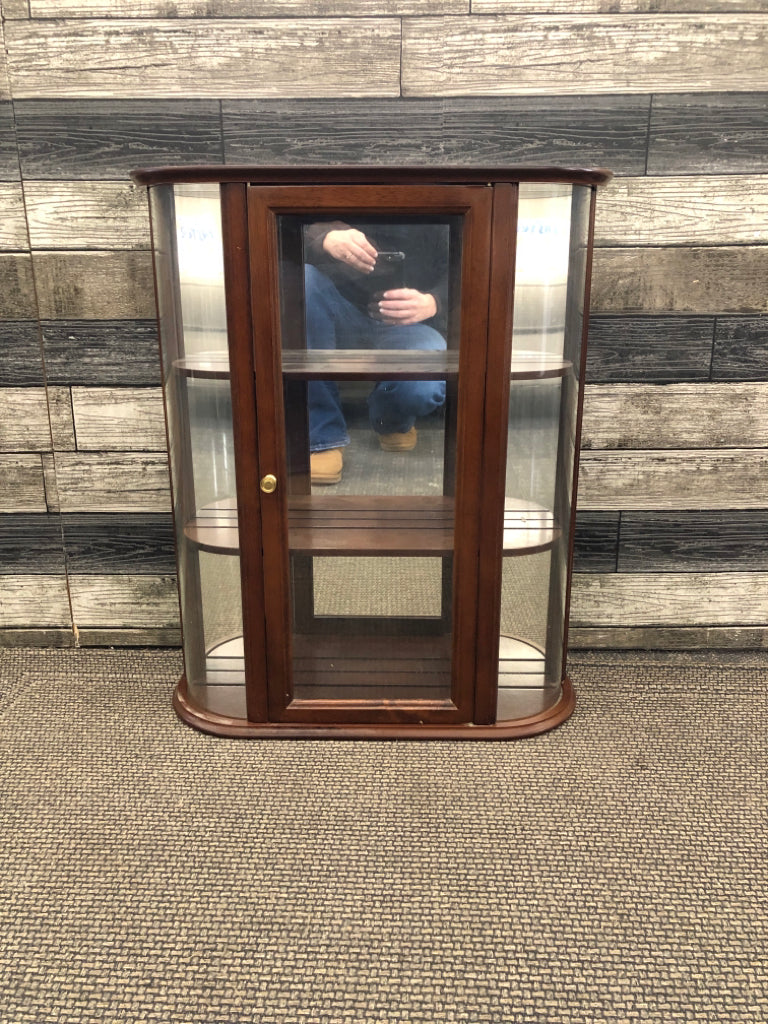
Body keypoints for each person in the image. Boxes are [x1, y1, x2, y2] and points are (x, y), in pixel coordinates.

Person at [303, 220, 449, 484]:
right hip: (334, 311)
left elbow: (469, 263)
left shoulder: (438, 193)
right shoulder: (335, 183)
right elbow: (278, 234)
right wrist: (324, 239)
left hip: (407, 323)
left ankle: (390, 419)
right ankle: (322, 437)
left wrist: (435, 301)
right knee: (304, 280)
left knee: (423, 389)